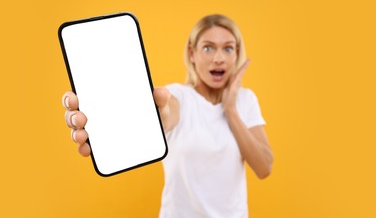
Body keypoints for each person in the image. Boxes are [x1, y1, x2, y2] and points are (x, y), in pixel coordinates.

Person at [62, 14, 274, 218]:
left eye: (228, 48)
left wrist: (231, 110)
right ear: (192, 53)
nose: (218, 59)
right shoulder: (179, 95)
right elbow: (167, 112)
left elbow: (264, 167)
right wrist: (152, 113)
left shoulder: (246, 100)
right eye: (208, 48)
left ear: (237, 54)